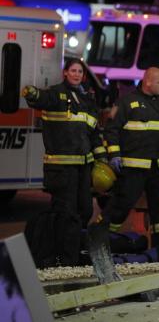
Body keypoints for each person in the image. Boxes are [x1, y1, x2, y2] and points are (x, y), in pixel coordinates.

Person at [22, 58, 106, 226]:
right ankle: (61, 248)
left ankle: (74, 246)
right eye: (73, 71)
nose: (76, 74)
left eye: (80, 71)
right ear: (65, 73)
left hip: (83, 167)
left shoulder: (86, 100)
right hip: (62, 168)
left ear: (83, 76)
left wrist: (102, 159)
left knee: (86, 210)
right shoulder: (55, 93)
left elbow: (94, 133)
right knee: (65, 212)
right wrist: (32, 93)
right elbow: (41, 99)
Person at [101, 67, 159, 248]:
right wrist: (114, 155)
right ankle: (101, 240)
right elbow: (111, 131)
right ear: (147, 81)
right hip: (132, 168)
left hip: (158, 168)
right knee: (120, 205)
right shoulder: (125, 103)